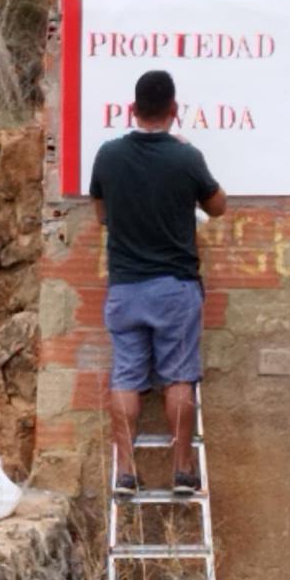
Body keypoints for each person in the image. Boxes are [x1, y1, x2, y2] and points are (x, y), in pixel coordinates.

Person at [90, 70, 227, 495]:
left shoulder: (108, 156)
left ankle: (126, 472)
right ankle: (183, 470)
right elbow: (219, 206)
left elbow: (100, 215)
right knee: (178, 378)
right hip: (174, 289)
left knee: (127, 378)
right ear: (174, 110)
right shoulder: (185, 158)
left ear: (133, 110)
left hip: (126, 288)